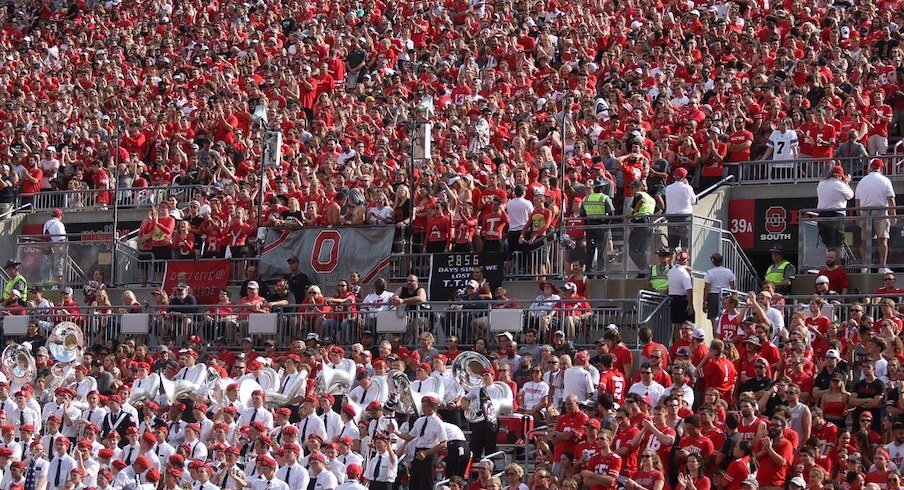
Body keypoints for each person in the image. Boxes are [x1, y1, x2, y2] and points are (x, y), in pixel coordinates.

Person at [854, 158, 896, 273]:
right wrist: (894, 215)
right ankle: (882, 266)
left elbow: (857, 201)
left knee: (865, 240)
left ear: (870, 168)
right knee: (883, 239)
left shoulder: (862, 181)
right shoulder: (885, 180)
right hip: (881, 211)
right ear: (881, 168)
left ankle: (864, 266)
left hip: (865, 212)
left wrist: (858, 216)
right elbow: (890, 199)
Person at [581, 177, 616, 277]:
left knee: (590, 249)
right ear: (602, 188)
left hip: (590, 226)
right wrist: (607, 223)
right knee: (602, 250)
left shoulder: (586, 198)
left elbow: (582, 213)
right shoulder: (604, 198)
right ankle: (601, 272)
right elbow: (611, 212)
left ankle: (589, 272)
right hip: (601, 225)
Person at [815, 166, 854, 249]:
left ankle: (830, 258)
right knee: (837, 240)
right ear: (840, 176)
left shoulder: (821, 183)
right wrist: (846, 183)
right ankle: (836, 260)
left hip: (822, 214)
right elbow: (850, 195)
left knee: (826, 240)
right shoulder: (839, 184)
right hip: (836, 214)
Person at [627, 180, 656, 277]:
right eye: (630, 188)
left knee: (631, 250)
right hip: (648, 224)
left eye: (633, 187)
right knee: (642, 250)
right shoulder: (651, 198)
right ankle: (644, 271)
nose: (631, 190)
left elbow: (641, 201)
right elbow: (660, 209)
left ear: (639, 188)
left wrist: (632, 213)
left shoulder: (639, 195)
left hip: (640, 224)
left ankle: (645, 269)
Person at [664, 168, 696, 250]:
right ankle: (683, 260)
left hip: (671, 217)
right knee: (685, 244)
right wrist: (687, 185)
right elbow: (693, 200)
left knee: (672, 245)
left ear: (674, 176)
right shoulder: (688, 188)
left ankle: (670, 261)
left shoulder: (668, 188)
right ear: (684, 177)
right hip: (684, 217)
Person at [702, 253, 736, 326]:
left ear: (713, 261)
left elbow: (706, 288)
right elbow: (733, 287)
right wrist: (734, 299)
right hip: (725, 295)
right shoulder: (728, 272)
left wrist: (704, 301)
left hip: (713, 296)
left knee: (714, 319)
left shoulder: (709, 272)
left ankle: (716, 336)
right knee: (725, 316)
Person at [668, 251, 694, 338]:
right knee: (687, 324)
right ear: (685, 261)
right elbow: (689, 290)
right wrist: (690, 304)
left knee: (676, 325)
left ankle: (677, 344)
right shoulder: (684, 273)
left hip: (672, 298)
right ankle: (684, 343)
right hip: (682, 299)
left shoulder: (671, 271)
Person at [42, 208, 67, 283]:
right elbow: (61, 239)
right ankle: (56, 285)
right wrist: (63, 251)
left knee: (51, 267)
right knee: (58, 268)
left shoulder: (46, 223)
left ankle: (51, 284)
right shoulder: (59, 224)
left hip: (47, 248)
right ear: (59, 216)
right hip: (57, 247)